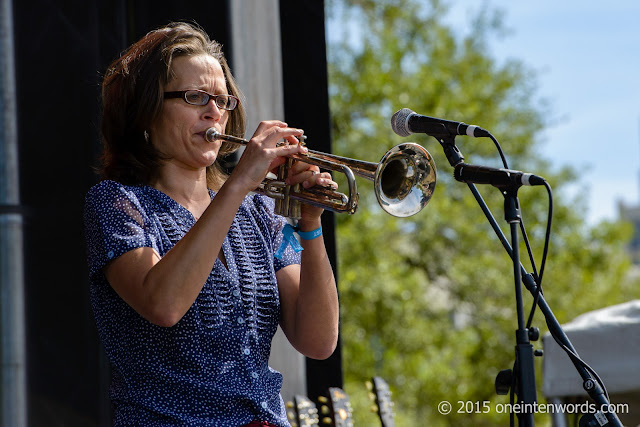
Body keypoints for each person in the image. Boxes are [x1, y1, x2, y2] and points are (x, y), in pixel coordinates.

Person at [84, 21, 339, 427]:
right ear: (147, 110)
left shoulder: (260, 212)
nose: (214, 112)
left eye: (223, 101)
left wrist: (310, 223)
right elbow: (163, 304)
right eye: (195, 97)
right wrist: (239, 183)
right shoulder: (118, 203)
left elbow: (318, 340)